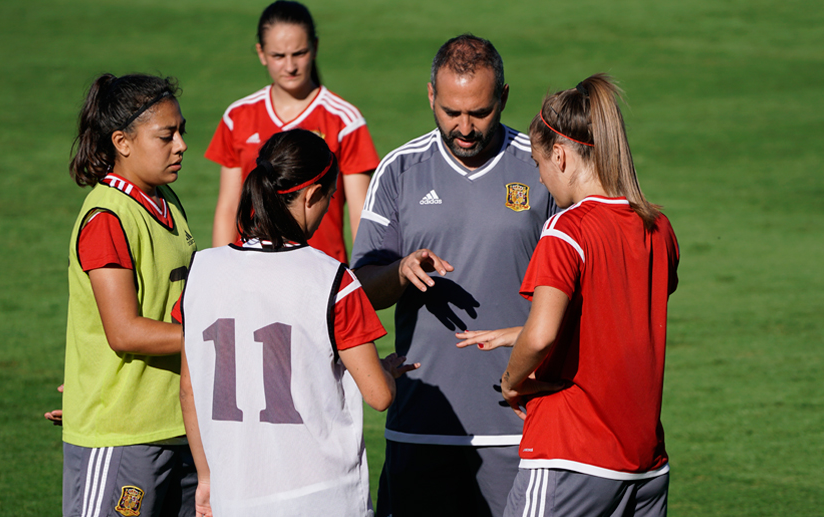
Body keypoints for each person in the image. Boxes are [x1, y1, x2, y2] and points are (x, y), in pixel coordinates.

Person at [350, 35, 556, 517]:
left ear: (503, 98)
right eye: (450, 112)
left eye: (480, 113)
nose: (464, 128)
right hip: (421, 423)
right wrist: (399, 272)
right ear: (430, 97)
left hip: (520, 423)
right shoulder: (399, 171)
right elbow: (361, 289)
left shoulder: (542, 167)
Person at [460, 74, 679, 517]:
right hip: (645, 463)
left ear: (559, 156)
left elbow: (541, 338)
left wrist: (513, 382)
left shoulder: (566, 229)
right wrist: (517, 332)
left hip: (572, 455)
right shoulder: (657, 227)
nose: (540, 182)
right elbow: (620, 313)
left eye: (539, 166)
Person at [178, 129, 418, 516]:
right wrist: (387, 372)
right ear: (312, 195)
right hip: (324, 497)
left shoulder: (202, 271)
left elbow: (189, 391)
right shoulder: (333, 279)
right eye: (330, 197)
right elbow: (379, 396)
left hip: (235, 496)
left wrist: (207, 479)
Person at [61, 73, 197, 517]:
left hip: (178, 427)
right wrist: (217, 336)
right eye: (166, 136)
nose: (180, 145)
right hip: (123, 434)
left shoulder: (165, 200)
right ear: (122, 141)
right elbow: (124, 331)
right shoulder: (107, 218)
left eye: (181, 132)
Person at [206, 0, 379, 263]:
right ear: (261, 53)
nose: (290, 66)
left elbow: (360, 215)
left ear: (315, 47)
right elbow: (229, 207)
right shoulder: (237, 117)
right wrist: (221, 268)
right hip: (252, 270)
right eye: (278, 56)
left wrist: (362, 278)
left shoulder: (345, 119)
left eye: (299, 53)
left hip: (321, 271)